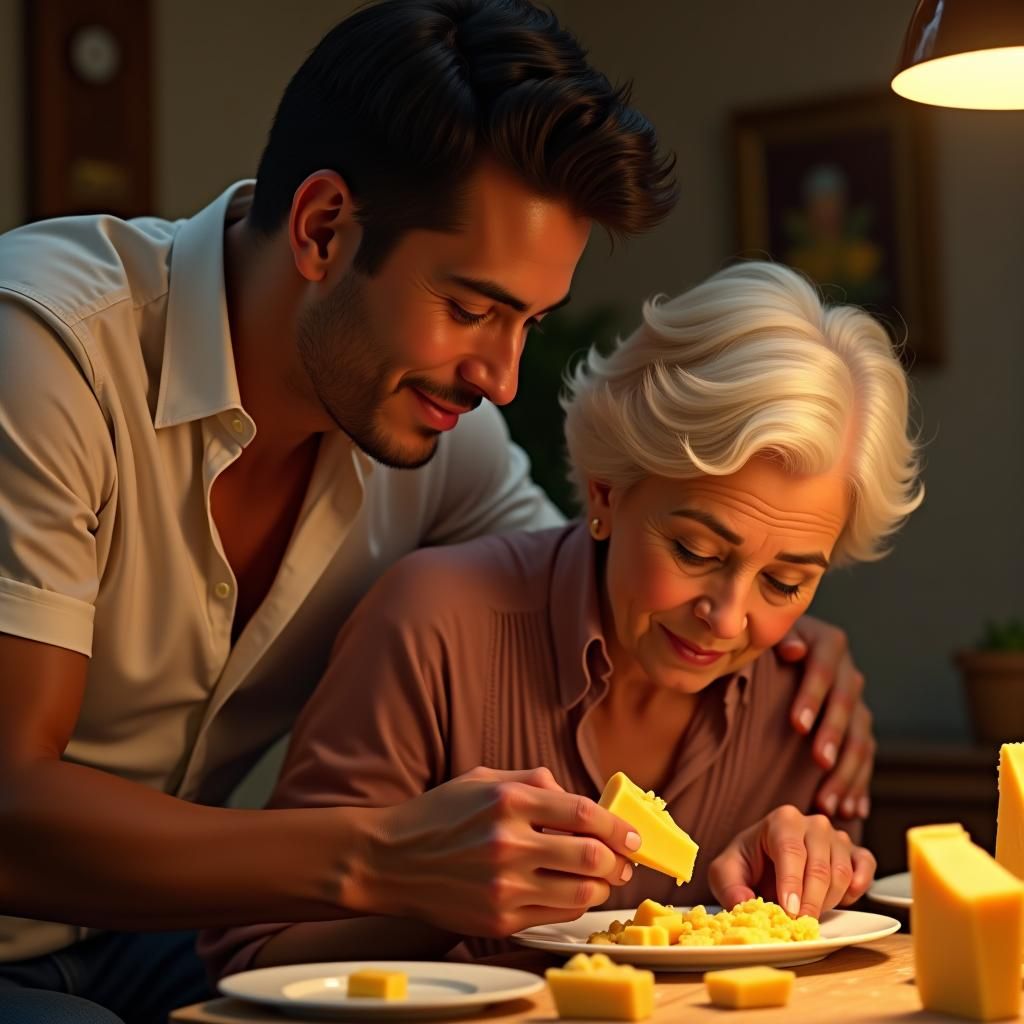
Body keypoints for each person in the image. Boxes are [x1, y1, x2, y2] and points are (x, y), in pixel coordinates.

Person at [0, 2, 872, 1021]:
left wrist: (787, 645)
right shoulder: (45, 353)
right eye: (470, 308)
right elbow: (10, 809)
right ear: (324, 228)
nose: (501, 376)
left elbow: (578, 584)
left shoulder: (437, 433)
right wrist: (383, 856)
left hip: (140, 940)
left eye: (529, 322)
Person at [201, 260, 923, 975]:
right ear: (606, 495)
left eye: (786, 581)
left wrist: (808, 886)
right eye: (695, 550)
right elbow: (253, 956)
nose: (729, 619)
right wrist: (433, 898)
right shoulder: (434, 625)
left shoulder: (806, 706)